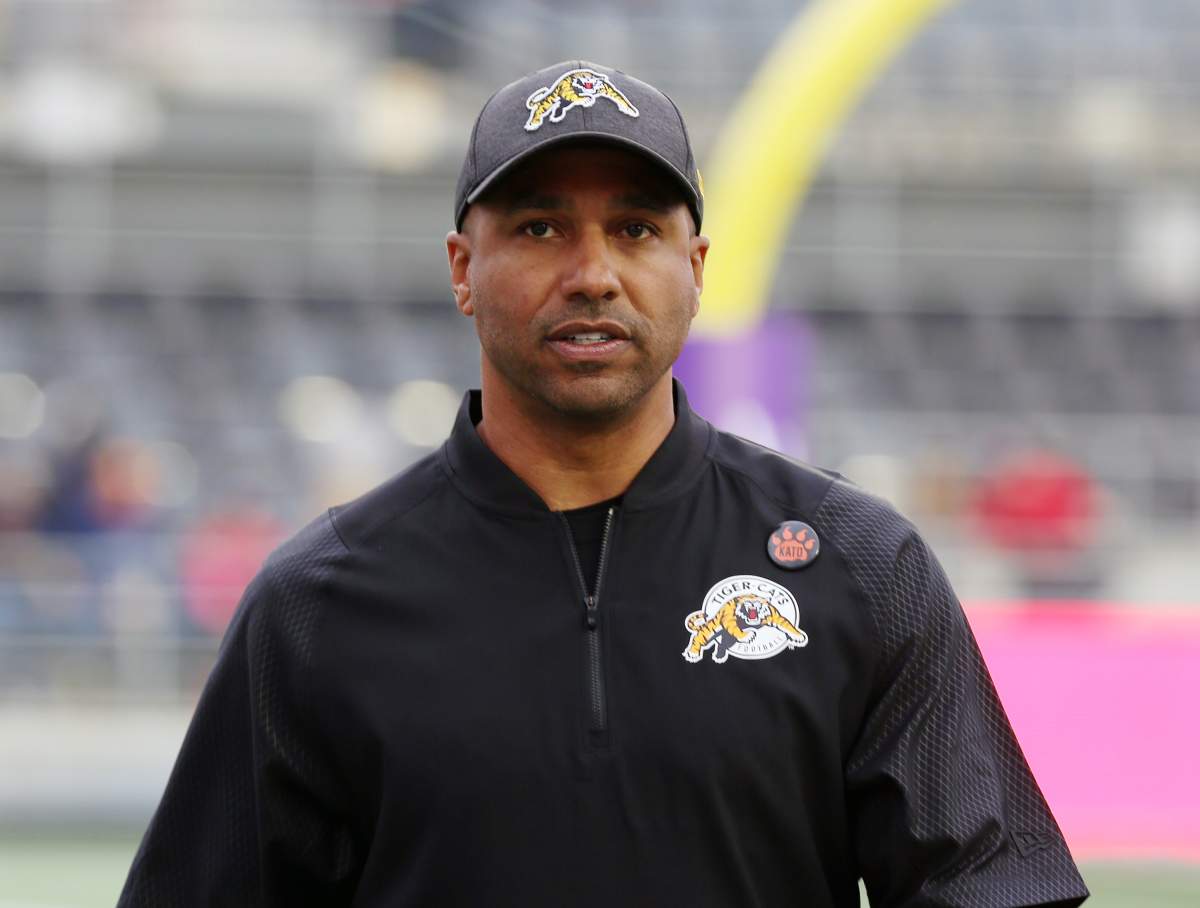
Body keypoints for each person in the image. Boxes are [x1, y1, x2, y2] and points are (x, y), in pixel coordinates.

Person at [118, 61, 1089, 907]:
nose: (593, 273)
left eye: (634, 229)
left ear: (696, 267)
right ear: (462, 268)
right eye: (541, 227)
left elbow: (988, 890)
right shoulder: (316, 602)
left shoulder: (858, 566)